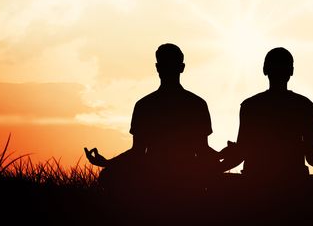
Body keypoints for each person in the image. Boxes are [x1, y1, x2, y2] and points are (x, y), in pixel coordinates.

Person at [217, 47, 313, 208]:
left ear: (265, 70)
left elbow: (239, 155)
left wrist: (211, 170)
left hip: (258, 185)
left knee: (215, 181)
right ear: (291, 71)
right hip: (294, 186)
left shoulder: (250, 106)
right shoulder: (304, 106)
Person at [84, 43, 220, 209]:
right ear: (182, 68)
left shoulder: (144, 105)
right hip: (187, 176)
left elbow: (137, 151)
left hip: (154, 175)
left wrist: (108, 163)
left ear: (157, 68)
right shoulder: (196, 104)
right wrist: (225, 156)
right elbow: (203, 150)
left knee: (107, 176)